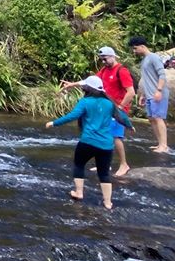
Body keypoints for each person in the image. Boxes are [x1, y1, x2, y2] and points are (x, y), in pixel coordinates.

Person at [45, 74, 134, 210]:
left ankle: (79, 192)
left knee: (79, 165)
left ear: (88, 88)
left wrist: (54, 123)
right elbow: (121, 116)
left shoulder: (85, 102)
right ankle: (108, 202)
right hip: (106, 145)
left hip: (87, 142)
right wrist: (130, 126)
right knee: (104, 173)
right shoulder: (109, 103)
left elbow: (73, 116)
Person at [96, 46, 135, 176]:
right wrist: (74, 84)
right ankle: (104, 163)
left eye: (105, 59)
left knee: (116, 137)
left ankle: (124, 164)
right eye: (101, 60)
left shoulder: (122, 71)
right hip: (107, 108)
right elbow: (93, 82)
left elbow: (131, 92)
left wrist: (120, 107)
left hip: (118, 110)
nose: (103, 62)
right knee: (103, 134)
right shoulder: (104, 70)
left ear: (112, 56)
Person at [130, 35, 170, 154]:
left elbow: (162, 75)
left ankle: (164, 145)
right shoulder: (144, 60)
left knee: (158, 118)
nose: (134, 51)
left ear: (142, 46)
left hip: (158, 93)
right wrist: (142, 94)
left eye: (135, 48)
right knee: (152, 118)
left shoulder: (153, 58)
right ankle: (159, 143)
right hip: (149, 94)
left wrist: (159, 90)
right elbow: (145, 79)